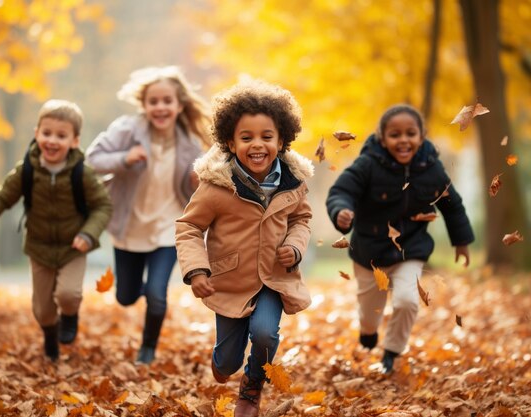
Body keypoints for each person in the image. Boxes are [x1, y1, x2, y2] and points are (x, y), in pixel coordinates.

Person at [175, 80, 314, 417]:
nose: (257, 145)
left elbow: (302, 219)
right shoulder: (217, 186)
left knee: (265, 334)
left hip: (274, 278)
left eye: (267, 137)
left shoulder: (292, 183)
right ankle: (227, 364)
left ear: (281, 141)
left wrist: (295, 247)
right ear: (229, 141)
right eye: (246, 137)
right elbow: (189, 227)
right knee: (227, 360)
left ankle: (251, 388)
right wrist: (197, 270)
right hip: (230, 280)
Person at [325, 104, 474, 374]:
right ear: (383, 138)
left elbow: (452, 205)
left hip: (410, 250)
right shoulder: (368, 164)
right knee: (370, 311)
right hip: (369, 252)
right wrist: (341, 211)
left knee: (407, 300)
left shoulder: (432, 168)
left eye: (410, 133)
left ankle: (391, 353)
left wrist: (461, 241)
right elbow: (341, 191)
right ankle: (368, 332)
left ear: (421, 135)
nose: (403, 140)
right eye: (395, 134)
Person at [0, 99, 113, 362]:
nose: (52, 141)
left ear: (74, 141)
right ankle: (50, 334)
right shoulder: (27, 171)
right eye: (47, 133)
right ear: (36, 134)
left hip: (74, 247)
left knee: (69, 294)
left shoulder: (81, 173)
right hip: (39, 248)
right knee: (42, 310)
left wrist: (88, 234)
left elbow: (103, 206)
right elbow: (0, 199)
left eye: (61, 135)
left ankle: (69, 316)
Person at [85, 66, 212, 364]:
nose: (160, 107)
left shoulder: (189, 144)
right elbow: (93, 159)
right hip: (130, 226)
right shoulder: (127, 130)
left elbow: (202, 185)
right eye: (153, 101)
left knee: (157, 293)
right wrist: (124, 158)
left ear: (179, 105)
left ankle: (147, 351)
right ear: (144, 105)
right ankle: (135, 291)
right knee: (126, 296)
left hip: (169, 226)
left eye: (167, 101)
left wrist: (196, 181)